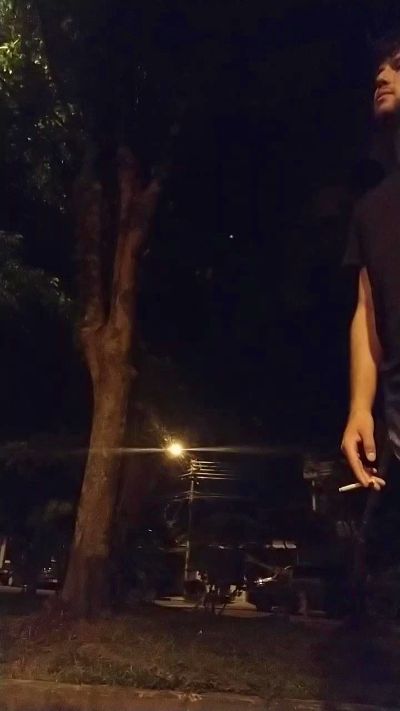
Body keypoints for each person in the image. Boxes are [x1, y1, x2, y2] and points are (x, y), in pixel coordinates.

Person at [341, 33, 400, 490]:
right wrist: (360, 406)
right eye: (381, 67)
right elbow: (367, 308)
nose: (382, 75)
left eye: (398, 65)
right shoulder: (371, 208)